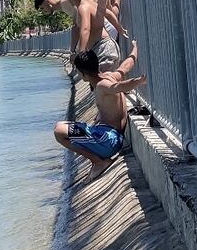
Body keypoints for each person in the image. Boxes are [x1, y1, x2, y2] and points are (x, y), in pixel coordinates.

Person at [54, 40, 146, 181]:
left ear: (83, 73)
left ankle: (98, 161)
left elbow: (118, 87)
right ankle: (98, 159)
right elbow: (126, 66)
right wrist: (135, 48)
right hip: (106, 137)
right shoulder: (109, 75)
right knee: (65, 127)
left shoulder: (103, 85)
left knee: (59, 131)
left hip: (108, 141)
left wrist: (137, 81)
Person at [66, 0, 120, 71]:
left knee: (104, 83)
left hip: (103, 50)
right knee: (107, 82)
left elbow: (85, 29)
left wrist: (80, 54)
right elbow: (109, 13)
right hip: (107, 47)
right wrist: (120, 29)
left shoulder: (82, 8)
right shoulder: (90, 3)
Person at [35, 0, 126, 43]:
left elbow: (77, 28)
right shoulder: (66, 2)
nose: (44, 12)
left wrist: (73, 51)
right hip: (106, 31)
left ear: (47, 3)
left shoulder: (66, 3)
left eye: (42, 8)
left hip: (105, 34)